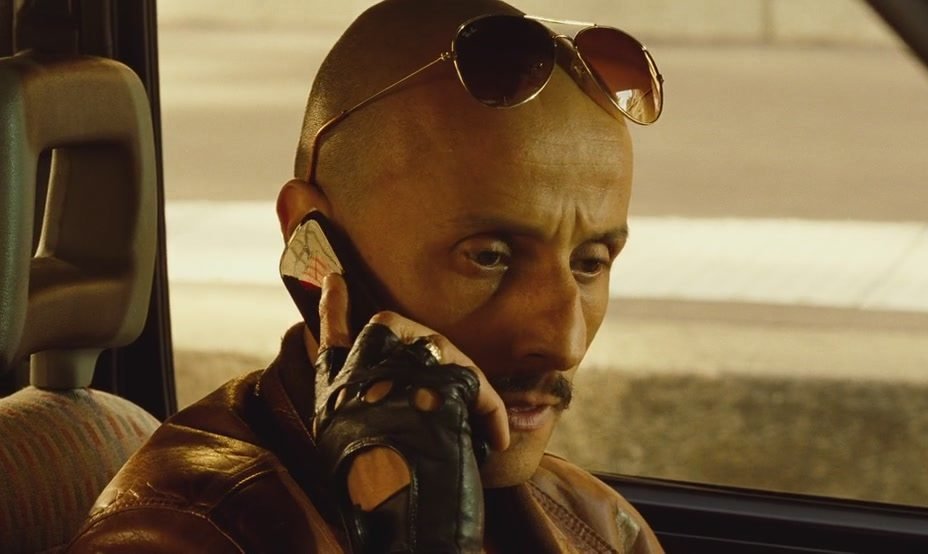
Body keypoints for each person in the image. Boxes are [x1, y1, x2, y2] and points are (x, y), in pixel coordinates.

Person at [68, 0, 665, 551]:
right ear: (314, 237)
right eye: (489, 256)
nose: (564, 343)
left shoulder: (598, 523)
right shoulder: (179, 534)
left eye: (590, 263)